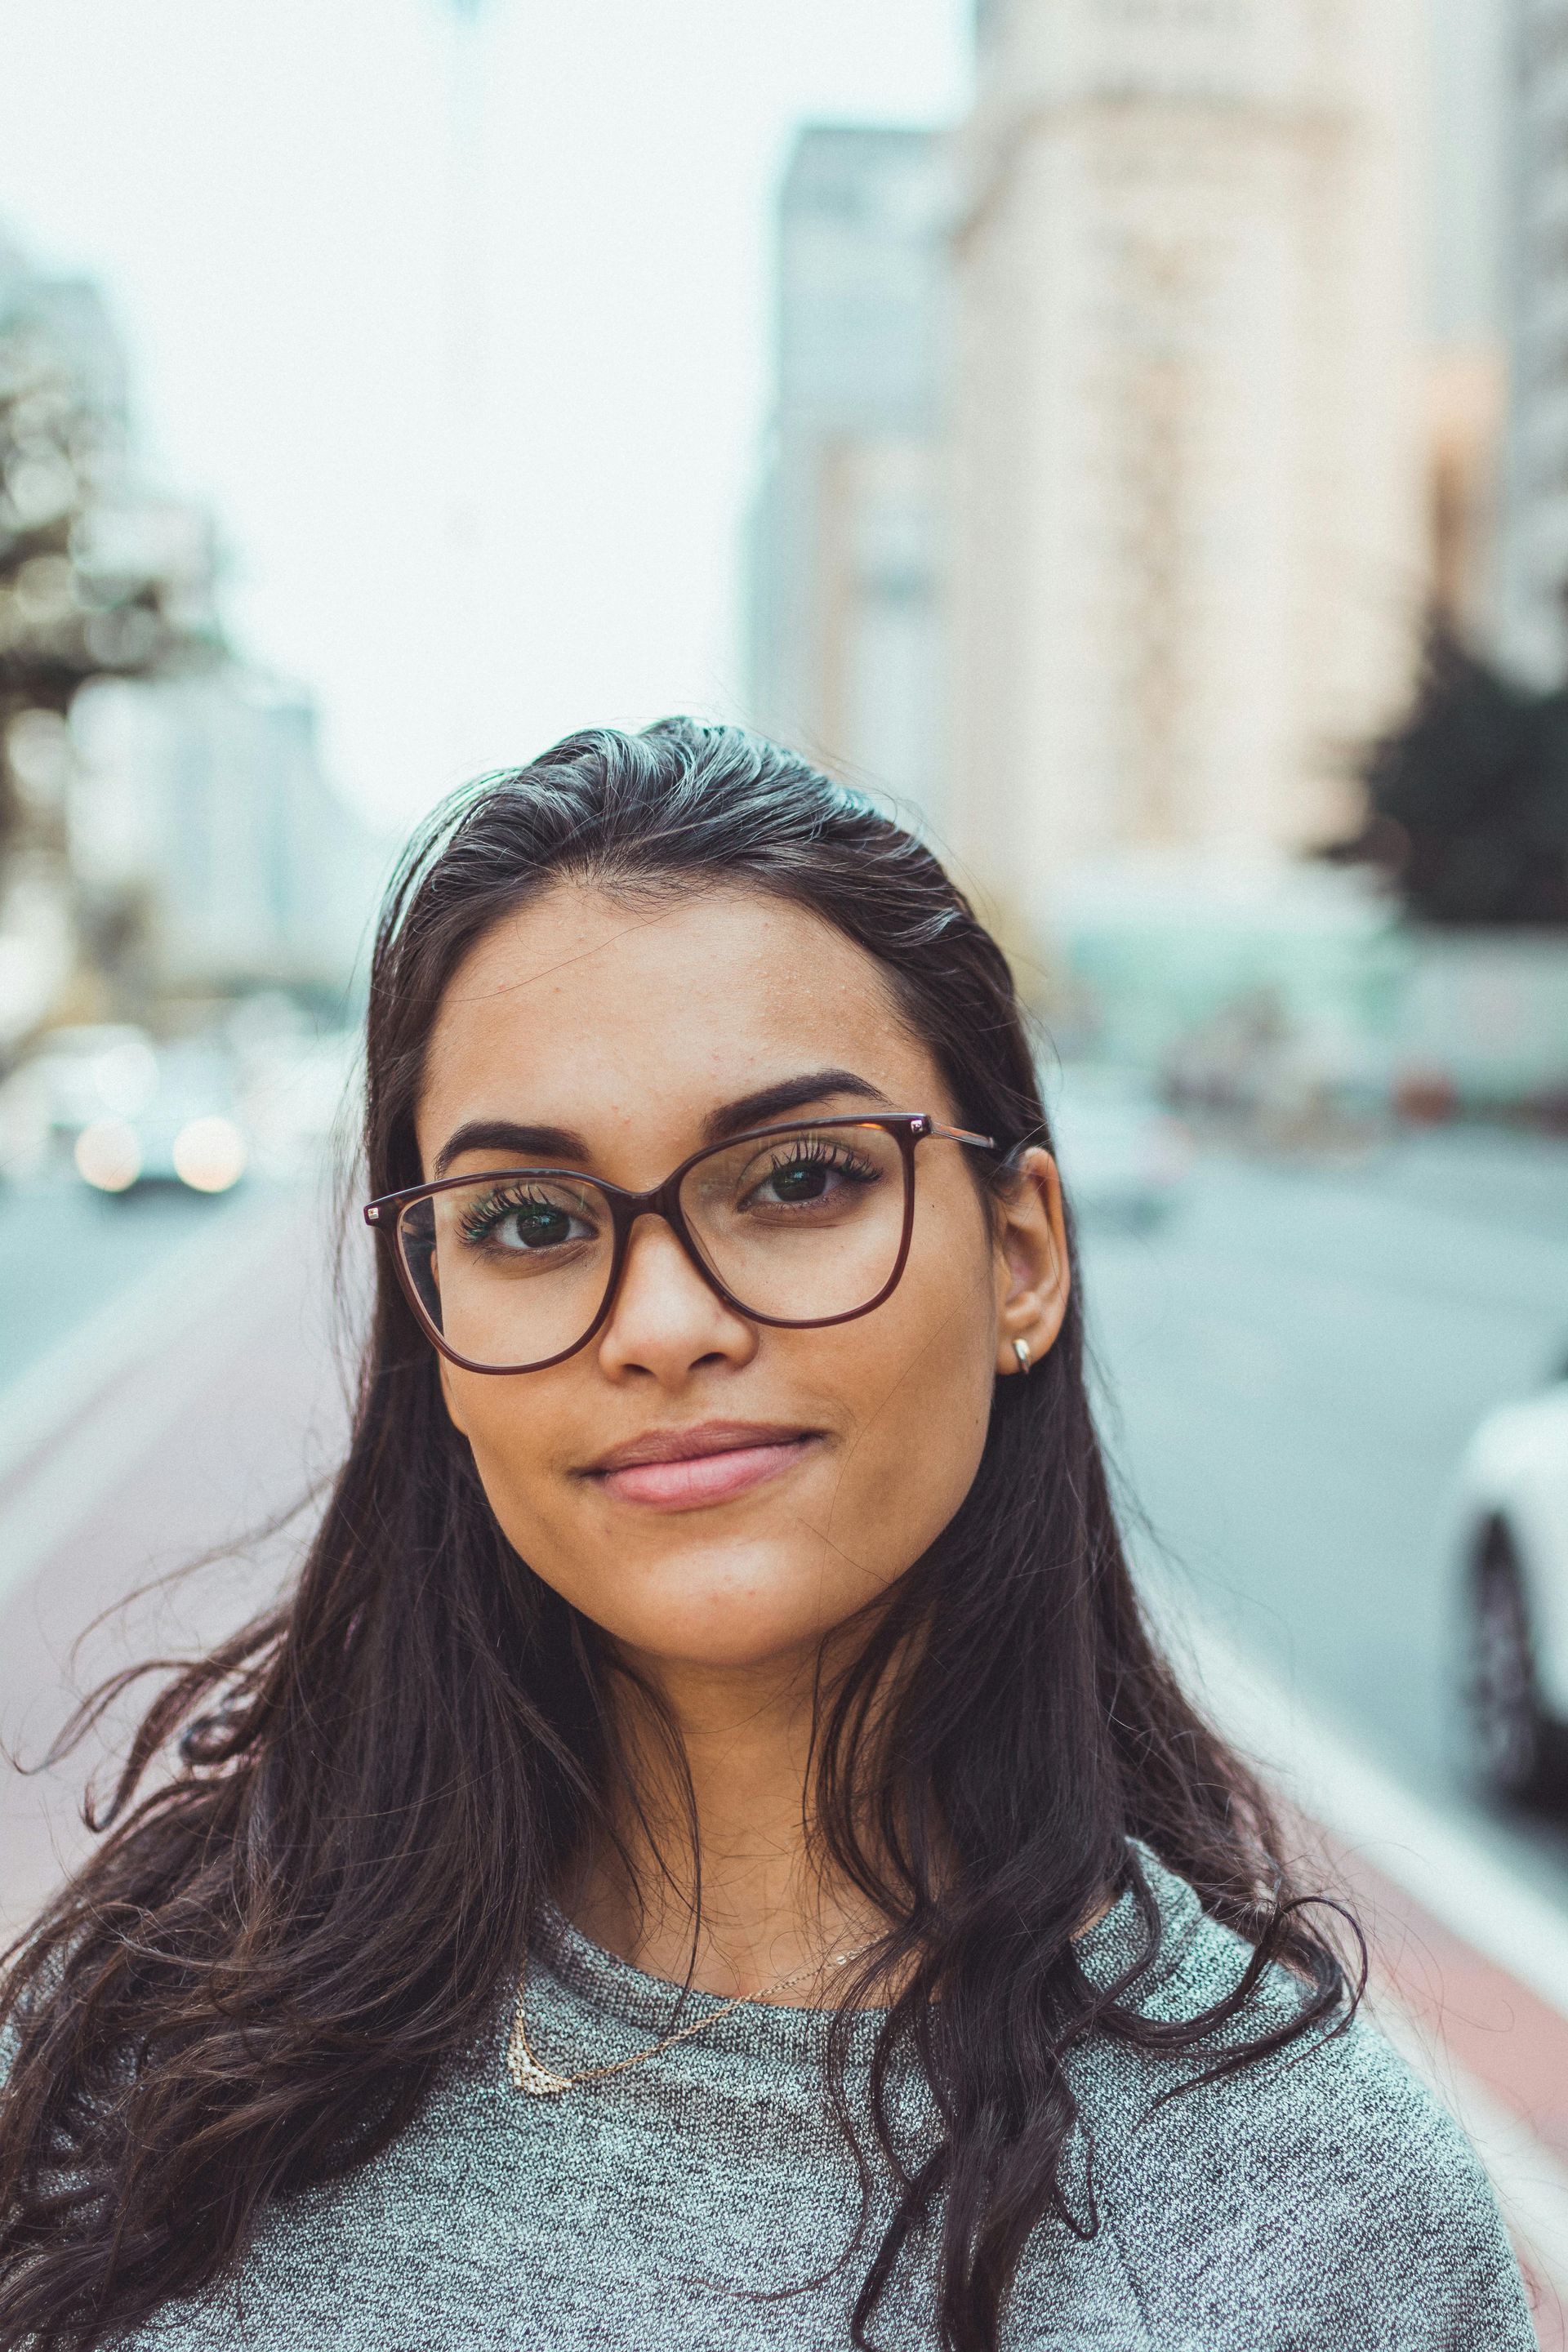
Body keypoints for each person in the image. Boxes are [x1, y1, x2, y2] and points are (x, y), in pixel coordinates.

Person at [0, 720, 1535, 2350]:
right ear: (433, 1322)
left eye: (798, 1180)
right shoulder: (140, 2062)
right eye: (531, 1220)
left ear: (1018, 1258)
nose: (663, 1324)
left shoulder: (1317, 2218)